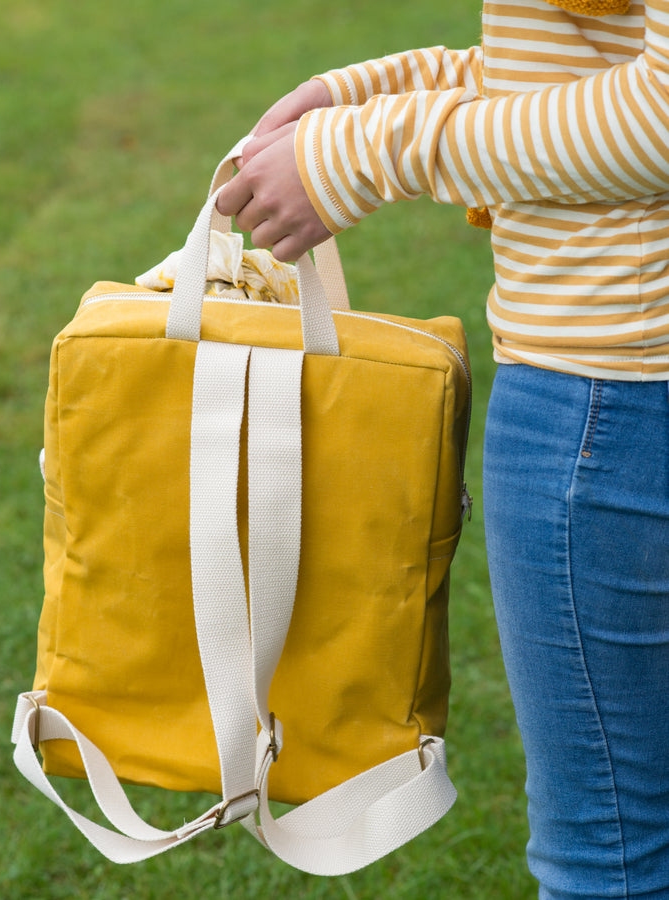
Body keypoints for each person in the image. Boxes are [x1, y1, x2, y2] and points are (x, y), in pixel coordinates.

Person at [216, 1, 669, 897]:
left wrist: (364, 152)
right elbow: (582, 66)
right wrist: (358, 95)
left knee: (612, 859)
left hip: (615, 396)